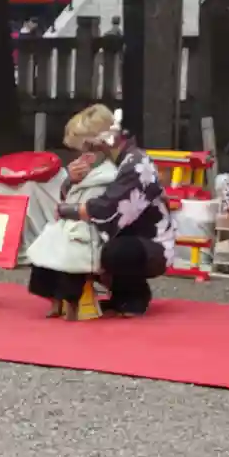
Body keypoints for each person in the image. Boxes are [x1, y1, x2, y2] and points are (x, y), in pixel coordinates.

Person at [55, 104, 176, 317]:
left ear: (100, 143)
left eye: (88, 148)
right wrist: (71, 182)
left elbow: (105, 209)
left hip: (149, 243)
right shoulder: (113, 162)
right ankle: (108, 295)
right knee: (66, 240)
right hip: (121, 234)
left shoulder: (136, 164)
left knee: (114, 251)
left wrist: (67, 210)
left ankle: (134, 296)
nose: (85, 155)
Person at [27, 119, 118, 320]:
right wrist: (71, 181)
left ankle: (71, 300)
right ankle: (52, 297)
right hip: (73, 219)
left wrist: (67, 209)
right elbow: (67, 197)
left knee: (71, 250)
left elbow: (100, 206)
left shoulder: (110, 172)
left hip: (95, 227)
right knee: (46, 242)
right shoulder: (82, 169)